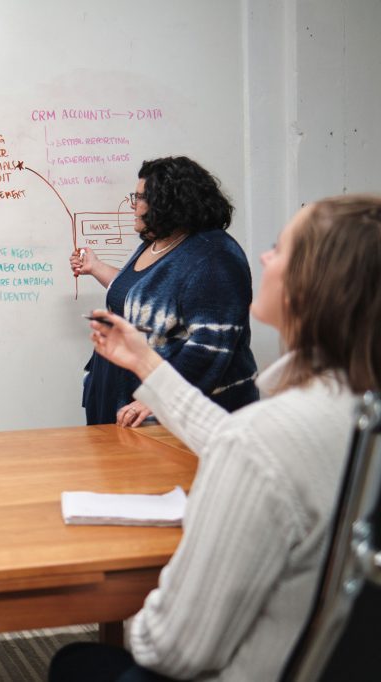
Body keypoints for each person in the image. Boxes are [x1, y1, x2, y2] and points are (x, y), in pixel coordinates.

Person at [50, 195, 381, 681]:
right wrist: (145, 363)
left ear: (313, 286)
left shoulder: (266, 437)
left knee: (74, 663)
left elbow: (171, 650)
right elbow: (240, 440)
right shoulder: (354, 410)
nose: (264, 258)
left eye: (279, 248)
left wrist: (143, 605)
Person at [70, 156, 259, 426]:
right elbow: (139, 296)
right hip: (125, 396)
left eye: (139, 198)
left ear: (168, 202)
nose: (133, 207)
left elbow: (211, 344)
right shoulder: (158, 242)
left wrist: (157, 398)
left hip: (176, 416)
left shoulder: (214, 256)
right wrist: (96, 267)